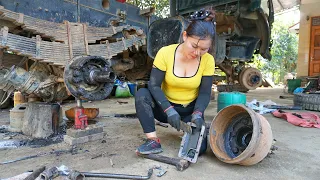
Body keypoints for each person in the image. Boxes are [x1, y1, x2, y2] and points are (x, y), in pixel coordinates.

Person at [135, 9, 216, 155]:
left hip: (189, 112)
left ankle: (188, 133)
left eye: (204, 49)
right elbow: (154, 85)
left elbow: (204, 92)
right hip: (165, 109)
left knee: (199, 150)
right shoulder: (165, 53)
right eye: (194, 46)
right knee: (142, 94)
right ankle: (152, 141)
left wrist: (198, 113)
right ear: (185, 36)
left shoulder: (208, 60)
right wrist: (168, 109)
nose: (197, 53)